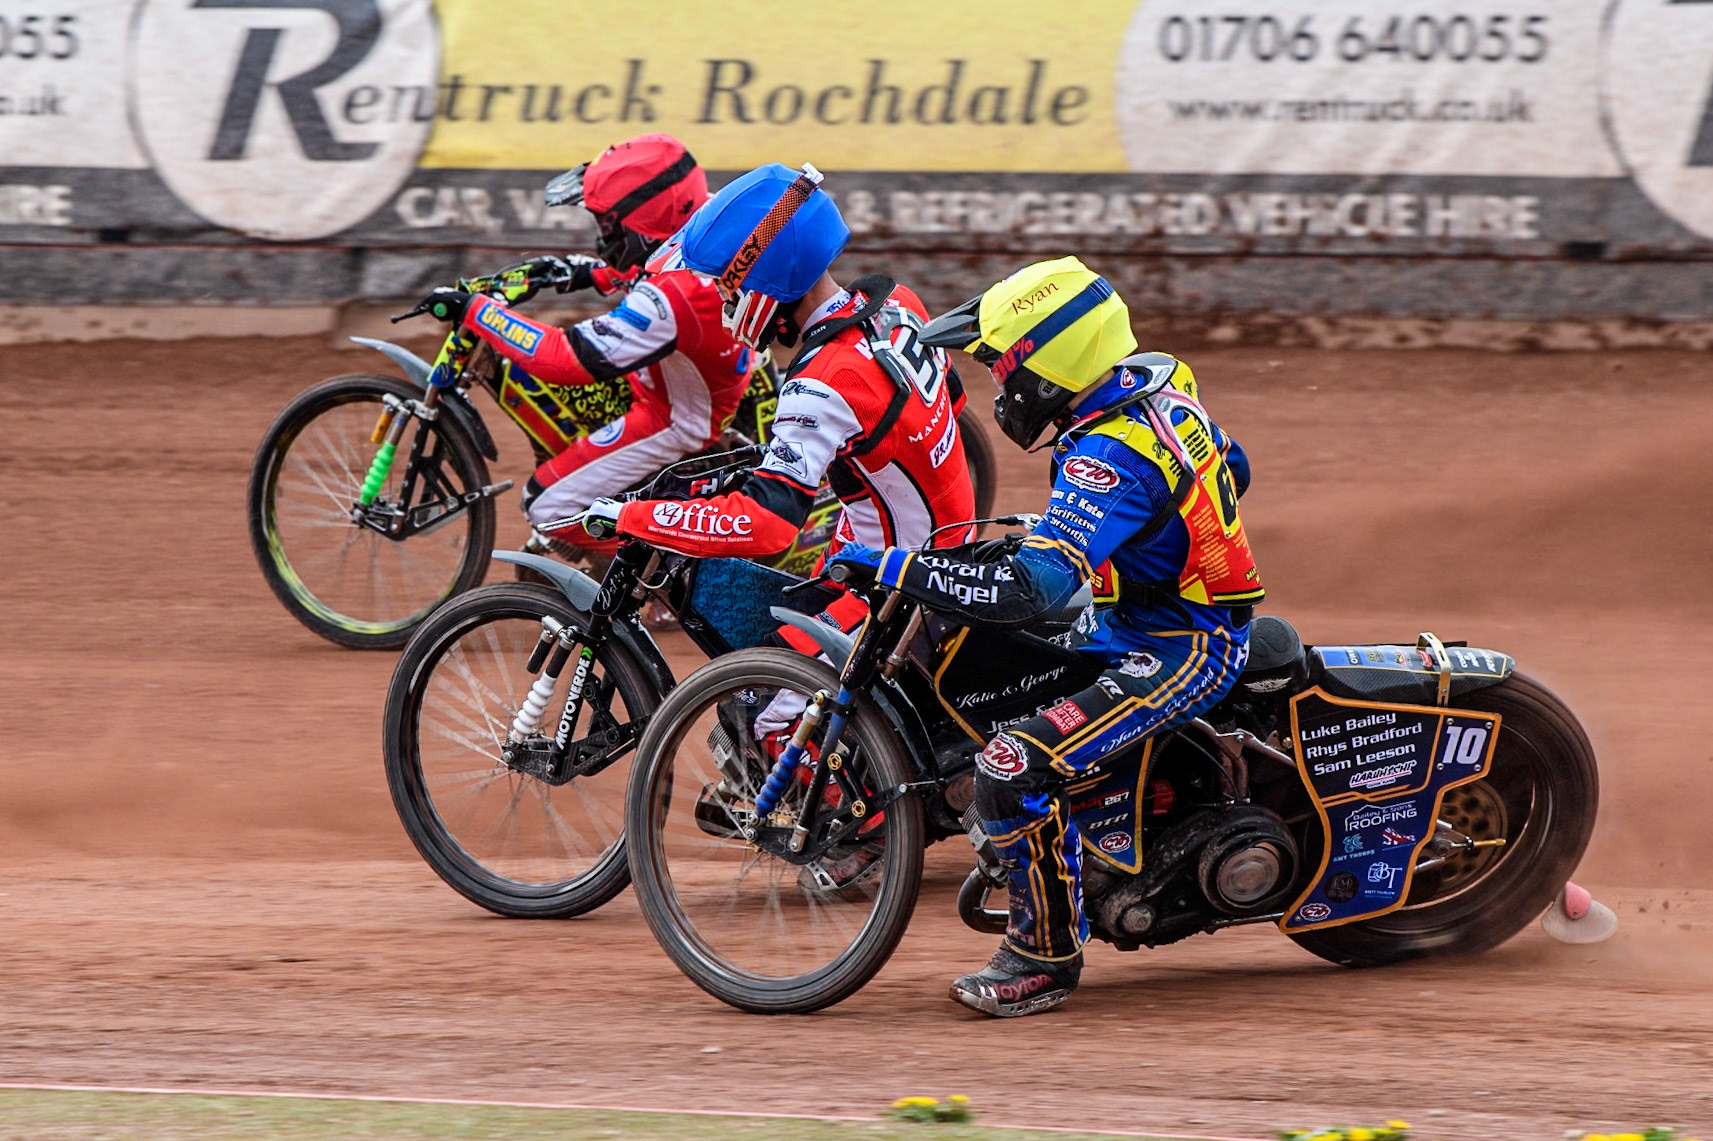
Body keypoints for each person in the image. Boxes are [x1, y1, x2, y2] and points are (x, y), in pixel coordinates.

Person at [827, 256, 1265, 1018]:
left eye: (999, 367)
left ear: (1044, 364)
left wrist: (896, 564)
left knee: (1010, 765)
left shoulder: (1108, 454)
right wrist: (1115, 538)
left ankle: (1042, 956)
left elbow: (1029, 590)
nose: (996, 385)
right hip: (1137, 616)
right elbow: (1235, 466)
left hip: (1179, 646)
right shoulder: (1158, 388)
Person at [576, 161, 976, 584]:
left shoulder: (820, 384)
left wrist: (633, 516)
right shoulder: (899, 303)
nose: (722, 299)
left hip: (892, 588)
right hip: (937, 550)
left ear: (764, 274)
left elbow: (766, 525)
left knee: (754, 643)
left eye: (725, 286)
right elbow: (954, 402)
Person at [412, 133, 753, 546]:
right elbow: (641, 268)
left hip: (675, 418)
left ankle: (662, 569)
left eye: (608, 224)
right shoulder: (701, 219)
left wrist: (477, 311)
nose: (602, 234)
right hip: (687, 369)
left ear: (646, 222)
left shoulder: (670, 296)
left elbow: (564, 359)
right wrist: (567, 272)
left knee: (545, 506)